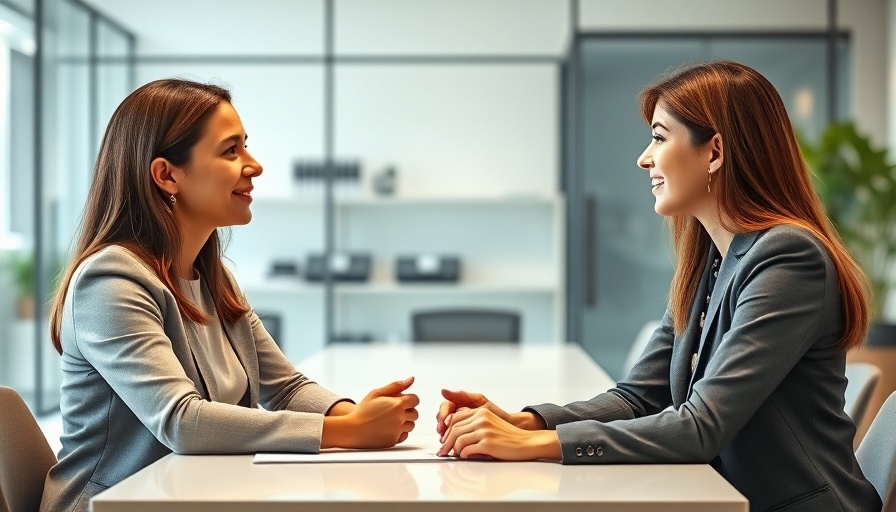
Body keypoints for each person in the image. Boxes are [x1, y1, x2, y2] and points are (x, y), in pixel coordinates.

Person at [436, 61, 882, 512]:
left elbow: (700, 427)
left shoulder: (788, 258)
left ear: (714, 152)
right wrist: (524, 422)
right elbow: (639, 396)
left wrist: (537, 444)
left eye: (660, 136)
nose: (644, 157)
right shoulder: (710, 259)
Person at [40, 79, 419, 512]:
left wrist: (353, 414)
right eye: (230, 150)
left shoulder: (213, 280)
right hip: (110, 503)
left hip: (190, 495)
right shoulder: (110, 281)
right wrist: (348, 432)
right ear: (167, 175)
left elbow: (286, 388)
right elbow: (181, 421)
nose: (254, 166)